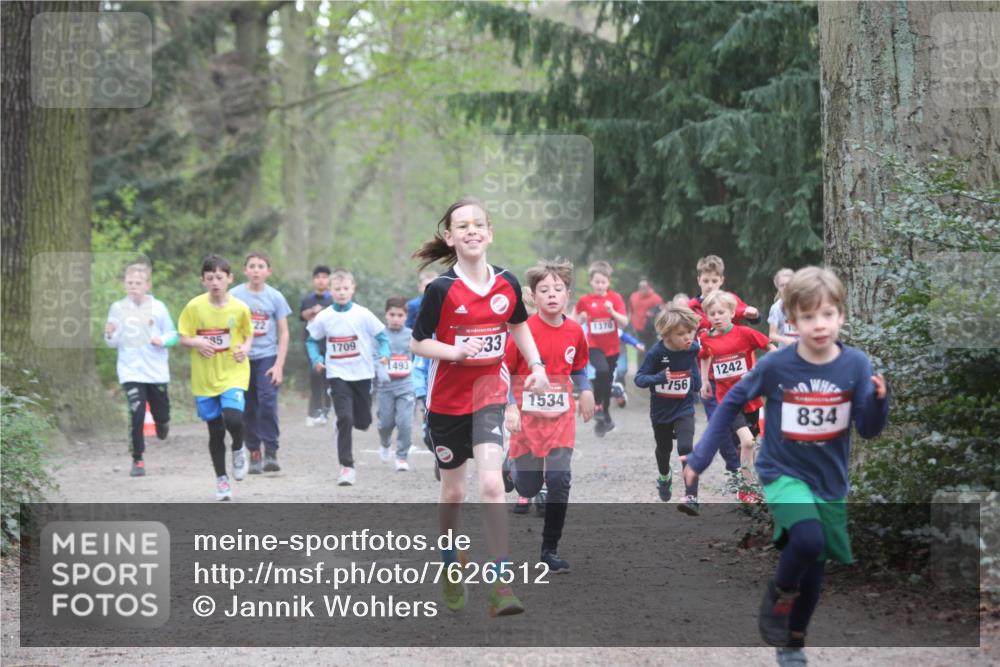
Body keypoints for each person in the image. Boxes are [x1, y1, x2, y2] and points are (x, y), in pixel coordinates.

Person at [684, 266, 889, 665]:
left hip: (830, 482)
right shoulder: (777, 366)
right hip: (783, 472)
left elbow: (868, 428)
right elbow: (728, 404)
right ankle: (778, 590)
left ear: (841, 316)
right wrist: (702, 456)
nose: (819, 325)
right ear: (792, 320)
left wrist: (880, 401)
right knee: (808, 541)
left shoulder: (856, 366)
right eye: (808, 317)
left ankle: (793, 643)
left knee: (815, 567)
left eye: (827, 314)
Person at [411, 196, 549, 617]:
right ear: (451, 238)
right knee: (453, 490)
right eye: (462, 226)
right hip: (446, 404)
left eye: (478, 225)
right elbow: (417, 342)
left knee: (490, 485)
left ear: (489, 233)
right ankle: (450, 564)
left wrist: (538, 365)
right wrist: (453, 351)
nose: (471, 230)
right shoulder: (441, 289)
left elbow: (518, 325)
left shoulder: (506, 283)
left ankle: (501, 583)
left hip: (489, 395)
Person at [503, 258, 595, 572]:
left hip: (560, 421)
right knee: (527, 488)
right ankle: (510, 464)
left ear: (568, 293)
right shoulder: (522, 332)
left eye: (558, 289)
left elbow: (580, 366)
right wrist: (511, 407)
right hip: (527, 422)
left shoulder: (575, 331)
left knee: (559, 480)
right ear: (534, 296)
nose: (552, 295)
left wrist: (585, 390)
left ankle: (549, 549)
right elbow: (503, 371)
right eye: (544, 290)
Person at [177, 255, 253, 501]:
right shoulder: (194, 307)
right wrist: (197, 341)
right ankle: (222, 480)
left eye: (220, 277)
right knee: (215, 431)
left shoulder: (240, 308)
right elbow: (182, 337)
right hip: (205, 376)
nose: (215, 282)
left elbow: (248, 334)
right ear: (203, 281)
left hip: (234, 371)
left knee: (233, 418)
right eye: (210, 278)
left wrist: (246, 348)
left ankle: (239, 447)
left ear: (230, 279)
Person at [306, 269, 389, 486]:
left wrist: (385, 352)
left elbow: (382, 336)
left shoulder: (363, 314)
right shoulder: (324, 316)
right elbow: (311, 340)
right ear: (330, 291)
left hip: (362, 374)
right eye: (337, 289)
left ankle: (348, 422)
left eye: (345, 288)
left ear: (353, 289)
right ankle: (346, 467)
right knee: (345, 419)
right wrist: (316, 357)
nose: (341, 293)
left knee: (362, 422)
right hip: (337, 373)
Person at [698, 290, 774, 501]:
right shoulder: (706, 338)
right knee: (747, 442)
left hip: (751, 398)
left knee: (750, 445)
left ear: (732, 313)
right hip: (728, 400)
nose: (716, 317)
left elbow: (770, 346)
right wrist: (705, 381)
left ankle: (748, 485)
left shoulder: (745, 333)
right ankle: (746, 489)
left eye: (721, 312)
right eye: (711, 314)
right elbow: (704, 357)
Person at [104, 262, 177, 477]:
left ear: (147, 285)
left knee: (161, 413)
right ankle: (137, 459)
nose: (133, 286)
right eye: (129, 283)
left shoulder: (159, 307)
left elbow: (174, 334)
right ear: (124, 284)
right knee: (136, 413)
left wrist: (161, 340)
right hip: (130, 370)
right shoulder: (117, 308)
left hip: (155, 371)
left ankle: (162, 424)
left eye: (138, 282)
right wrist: (109, 334)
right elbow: (111, 341)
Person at [633, 303, 702, 514]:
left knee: (685, 448)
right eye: (682, 334)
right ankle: (664, 477)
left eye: (691, 332)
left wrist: (696, 382)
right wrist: (659, 378)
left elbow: (692, 367)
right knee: (664, 451)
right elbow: (639, 378)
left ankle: (692, 496)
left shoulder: (693, 348)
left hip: (684, 407)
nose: (688, 337)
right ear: (667, 335)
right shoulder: (656, 353)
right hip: (661, 411)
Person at [230, 252, 292, 474]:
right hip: (242, 358)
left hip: (267, 356)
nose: (256, 270)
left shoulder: (275, 297)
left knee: (267, 401)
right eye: (252, 266)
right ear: (245, 270)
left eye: (261, 266)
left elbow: (284, 333)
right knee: (247, 406)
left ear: (268, 271)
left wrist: (279, 365)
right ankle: (254, 451)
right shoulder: (234, 295)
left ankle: (271, 452)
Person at [574, 260, 628, 436]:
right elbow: (572, 321)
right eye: (596, 281)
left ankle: (604, 416)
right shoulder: (584, 301)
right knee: (602, 370)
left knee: (605, 381)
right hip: (594, 346)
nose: (599, 285)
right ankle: (598, 407)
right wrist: (580, 318)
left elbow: (624, 322)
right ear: (591, 281)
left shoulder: (615, 298)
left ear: (608, 282)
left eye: (603, 282)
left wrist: (612, 312)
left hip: (612, 348)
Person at [376, 296, 416, 471]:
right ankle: (385, 443)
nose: (396, 318)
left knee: (405, 422)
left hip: (406, 386)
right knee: (385, 423)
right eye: (392, 314)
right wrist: (380, 372)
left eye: (400, 315)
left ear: (406, 316)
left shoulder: (412, 335)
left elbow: (419, 358)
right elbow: (373, 357)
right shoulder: (379, 335)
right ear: (386, 315)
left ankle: (401, 456)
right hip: (385, 388)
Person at [300, 265, 333, 426]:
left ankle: (327, 411)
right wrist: (313, 311)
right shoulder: (307, 299)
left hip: (329, 343)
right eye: (318, 277)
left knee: (328, 377)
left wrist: (323, 310)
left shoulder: (333, 299)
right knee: (314, 376)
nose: (321, 280)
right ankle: (313, 412)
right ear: (313, 280)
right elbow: (302, 315)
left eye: (325, 277)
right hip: (311, 342)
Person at [628, 277, 663, 350]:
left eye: (644, 287)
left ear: (649, 287)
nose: (641, 289)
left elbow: (661, 314)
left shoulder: (656, 298)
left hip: (651, 331)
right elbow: (631, 311)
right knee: (640, 351)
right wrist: (630, 324)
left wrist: (653, 314)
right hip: (637, 330)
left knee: (652, 351)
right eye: (640, 287)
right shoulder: (633, 296)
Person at [769, 268, 799, 349]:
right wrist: (785, 339)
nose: (785, 288)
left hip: (806, 351)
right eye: (782, 285)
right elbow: (772, 335)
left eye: (788, 284)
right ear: (778, 287)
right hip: (786, 351)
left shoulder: (804, 303)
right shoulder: (776, 308)